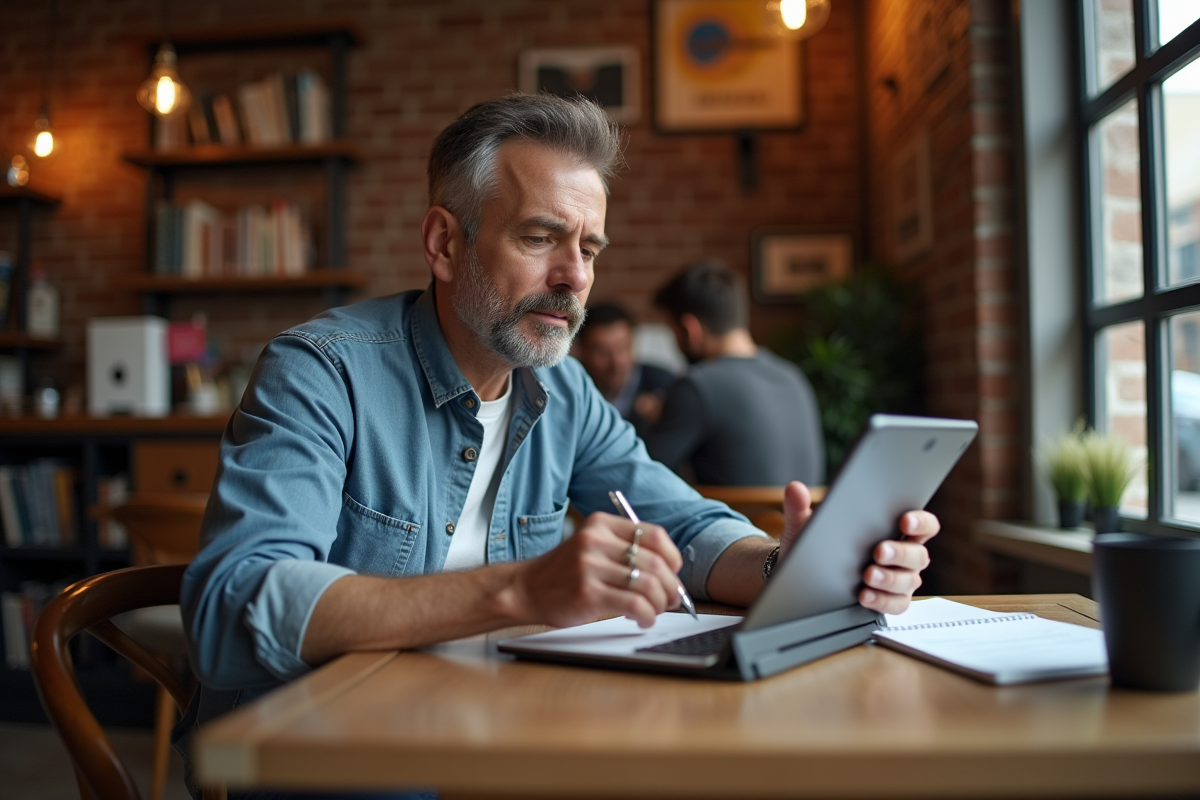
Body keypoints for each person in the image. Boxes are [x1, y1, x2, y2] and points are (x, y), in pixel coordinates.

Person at [176, 94, 937, 799]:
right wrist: (521, 592)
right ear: (445, 242)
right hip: (324, 758)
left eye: (590, 247)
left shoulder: (563, 392)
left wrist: (789, 568)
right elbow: (232, 607)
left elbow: (688, 527)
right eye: (540, 238)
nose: (575, 278)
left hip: (497, 730)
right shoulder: (322, 372)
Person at [642, 261, 826, 488]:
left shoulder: (697, 384)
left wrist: (658, 420)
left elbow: (646, 476)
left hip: (733, 522)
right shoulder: (793, 377)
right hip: (803, 523)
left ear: (691, 330)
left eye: (673, 331)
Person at [574, 301, 676, 436]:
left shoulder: (666, 386)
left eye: (622, 348)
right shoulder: (571, 390)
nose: (616, 362)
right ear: (581, 351)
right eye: (602, 352)